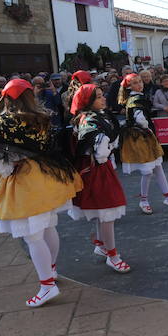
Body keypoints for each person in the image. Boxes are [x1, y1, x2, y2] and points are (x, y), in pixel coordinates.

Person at [0, 79, 83, 307]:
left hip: (24, 182)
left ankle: (47, 285)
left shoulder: (3, 123)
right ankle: (51, 271)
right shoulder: (41, 118)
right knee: (47, 227)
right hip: (47, 177)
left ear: (6, 98)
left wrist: (2, 169)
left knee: (33, 235)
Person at [69, 84, 130, 273]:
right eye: (98, 97)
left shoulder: (93, 117)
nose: (103, 99)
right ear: (88, 101)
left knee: (102, 212)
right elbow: (102, 152)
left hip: (97, 169)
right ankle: (113, 255)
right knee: (107, 212)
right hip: (96, 170)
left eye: (103, 95)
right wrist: (110, 146)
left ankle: (102, 246)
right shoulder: (90, 120)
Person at [118, 73, 168, 214]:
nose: (139, 84)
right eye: (135, 83)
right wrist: (146, 127)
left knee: (157, 167)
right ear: (129, 86)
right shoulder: (137, 98)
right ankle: (144, 200)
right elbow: (139, 117)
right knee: (147, 171)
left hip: (142, 136)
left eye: (140, 81)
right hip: (141, 137)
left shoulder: (133, 97)